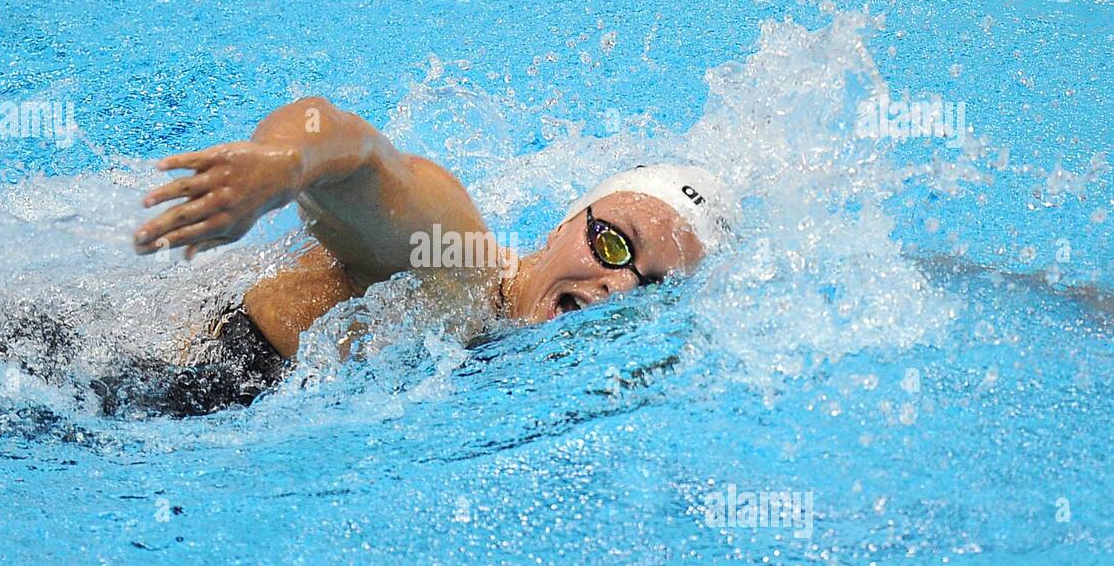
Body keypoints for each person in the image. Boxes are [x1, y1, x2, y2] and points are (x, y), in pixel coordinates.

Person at [130, 97, 738, 412]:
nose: (620, 288)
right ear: (561, 227)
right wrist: (281, 165)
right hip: (113, 376)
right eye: (614, 244)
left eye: (654, 286)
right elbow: (356, 149)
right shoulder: (463, 263)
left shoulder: (505, 349)